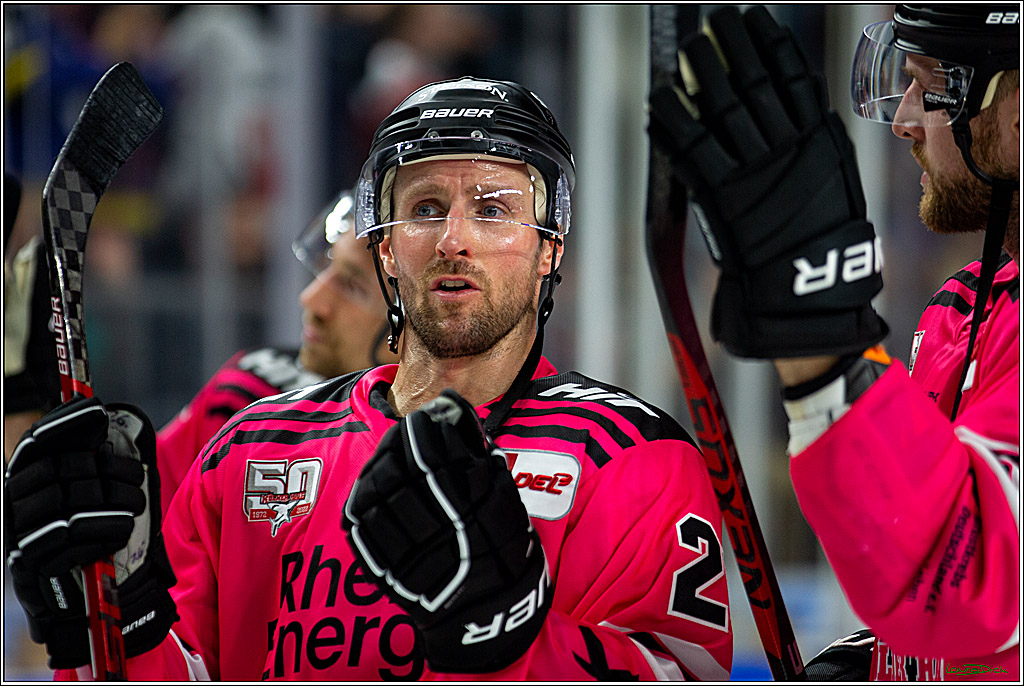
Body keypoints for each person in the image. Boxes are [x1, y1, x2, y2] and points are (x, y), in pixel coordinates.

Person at [6, 77, 734, 680]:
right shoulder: (252, 448)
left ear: (549, 249)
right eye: (423, 209)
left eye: (493, 210)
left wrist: (511, 640)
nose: (454, 239)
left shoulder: (629, 457)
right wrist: (125, 623)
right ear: (385, 248)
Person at [649, 3, 1018, 681]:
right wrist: (881, 665)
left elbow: (968, 583)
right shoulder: (964, 308)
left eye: (933, 84)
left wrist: (820, 334)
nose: (904, 119)